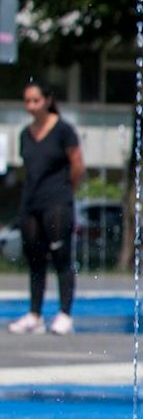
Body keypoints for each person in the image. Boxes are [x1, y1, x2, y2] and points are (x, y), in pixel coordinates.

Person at [10, 81, 84, 335]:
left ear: (48, 100)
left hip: (57, 202)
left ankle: (64, 314)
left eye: (35, 100)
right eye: (27, 101)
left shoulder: (63, 131)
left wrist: (65, 191)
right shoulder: (25, 133)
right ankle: (35, 314)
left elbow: (77, 165)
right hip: (31, 202)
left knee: (61, 257)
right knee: (35, 259)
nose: (31, 106)